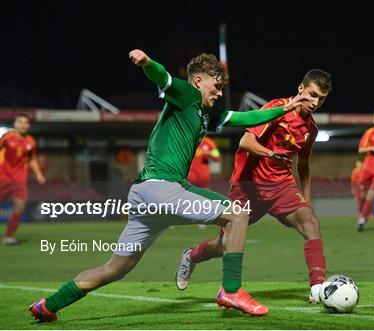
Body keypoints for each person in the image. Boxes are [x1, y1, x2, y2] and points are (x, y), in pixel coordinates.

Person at [29, 49, 312, 321]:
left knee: (116, 268)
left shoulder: (207, 113)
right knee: (238, 213)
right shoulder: (186, 94)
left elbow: (245, 118)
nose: (219, 92)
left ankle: (48, 305)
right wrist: (146, 62)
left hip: (143, 195)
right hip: (163, 188)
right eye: (216, 86)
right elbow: (162, 76)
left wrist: (285, 107)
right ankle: (231, 290)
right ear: (198, 80)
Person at [176, 69, 332, 303]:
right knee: (223, 245)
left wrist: (306, 198)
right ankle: (192, 256)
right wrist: (271, 153)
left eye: (320, 98)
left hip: (281, 187)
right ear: (300, 89)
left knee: (310, 223)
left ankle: (318, 289)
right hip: (248, 186)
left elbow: (304, 165)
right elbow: (246, 141)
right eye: (311, 94)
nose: (315, 102)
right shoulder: (277, 108)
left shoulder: (311, 129)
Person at [1, 114, 46, 245]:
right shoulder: (7, 137)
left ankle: (9, 236)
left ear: (28, 125)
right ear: (15, 124)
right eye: (20, 122)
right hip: (2, 178)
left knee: (20, 207)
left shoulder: (31, 142)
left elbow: (32, 159)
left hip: (20, 180)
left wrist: (38, 174)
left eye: (25, 122)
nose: (23, 125)